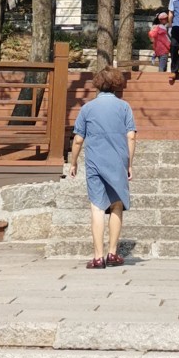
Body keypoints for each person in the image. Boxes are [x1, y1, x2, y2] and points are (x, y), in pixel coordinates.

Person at [69, 67, 137, 269]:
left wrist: (73, 162)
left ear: (97, 84)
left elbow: (79, 139)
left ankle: (98, 257)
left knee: (97, 207)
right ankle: (112, 253)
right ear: (116, 84)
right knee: (116, 205)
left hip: (94, 163)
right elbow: (131, 136)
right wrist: (129, 164)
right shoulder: (124, 107)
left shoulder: (87, 108)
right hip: (117, 162)